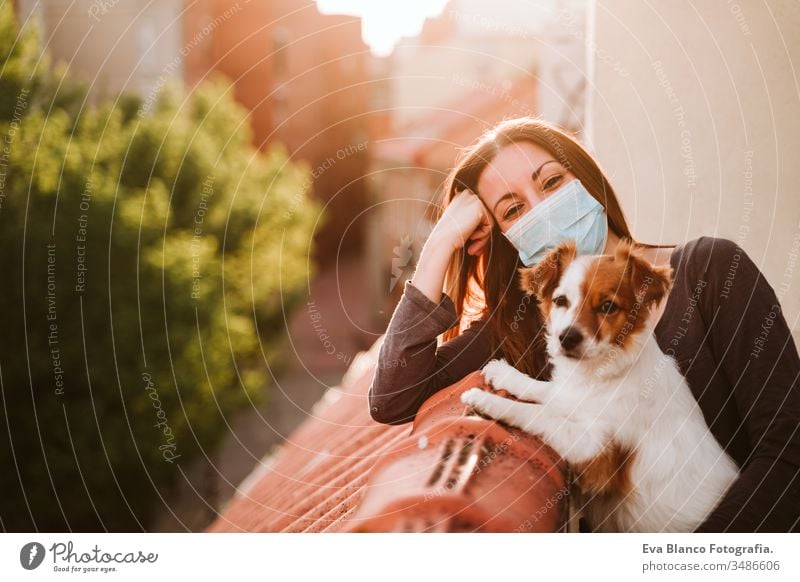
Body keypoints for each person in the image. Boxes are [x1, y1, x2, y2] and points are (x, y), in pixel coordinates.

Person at [368, 117, 800, 532]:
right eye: (514, 209)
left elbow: (788, 445)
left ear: (586, 181)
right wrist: (441, 242)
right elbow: (393, 396)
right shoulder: (529, 328)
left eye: (552, 182)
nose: (543, 209)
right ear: (507, 240)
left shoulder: (710, 274)